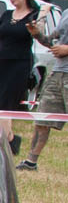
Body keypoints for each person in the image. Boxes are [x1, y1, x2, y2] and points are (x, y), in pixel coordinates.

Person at [0, 0, 42, 156]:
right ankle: (10, 141)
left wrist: (36, 28)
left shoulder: (35, 15)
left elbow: (39, 35)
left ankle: (2, 146)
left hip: (19, 64)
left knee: (5, 105)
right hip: (1, 63)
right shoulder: (7, 15)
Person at [18, 10, 68, 170]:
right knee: (42, 119)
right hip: (58, 73)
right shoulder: (66, 13)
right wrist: (37, 34)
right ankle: (31, 162)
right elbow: (52, 41)